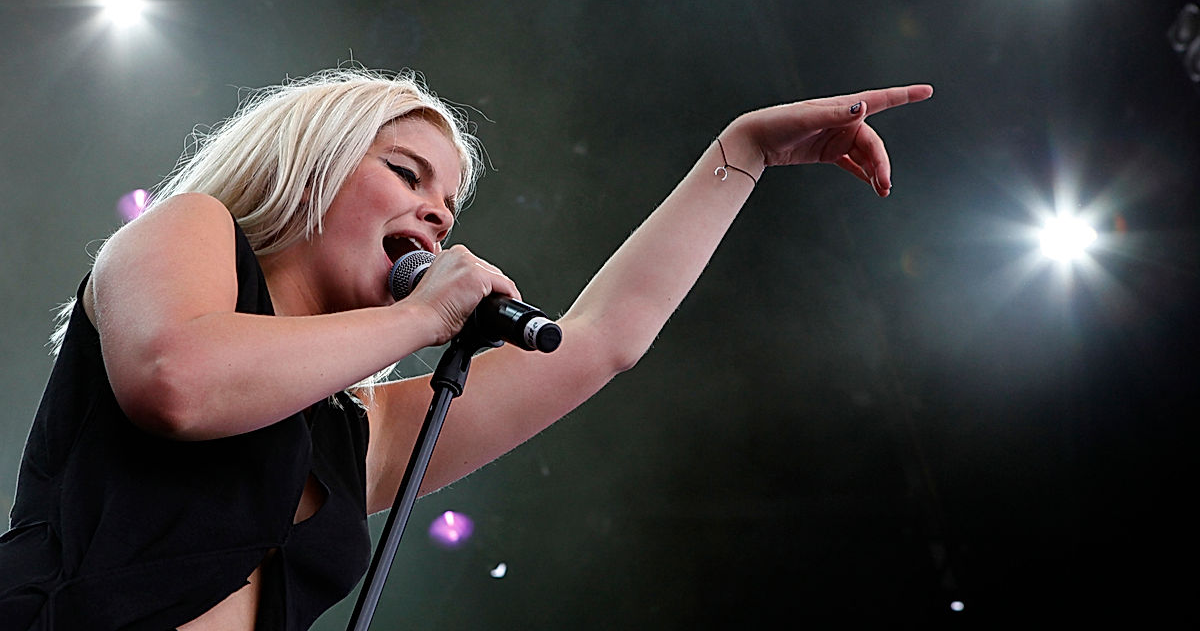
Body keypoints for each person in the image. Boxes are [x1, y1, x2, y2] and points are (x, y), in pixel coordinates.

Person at [0, 67, 931, 629]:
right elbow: (178, 381)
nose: (436, 214)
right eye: (404, 174)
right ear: (307, 168)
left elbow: (601, 340)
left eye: (448, 205)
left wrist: (738, 157)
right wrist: (423, 319)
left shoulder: (348, 437)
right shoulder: (190, 230)